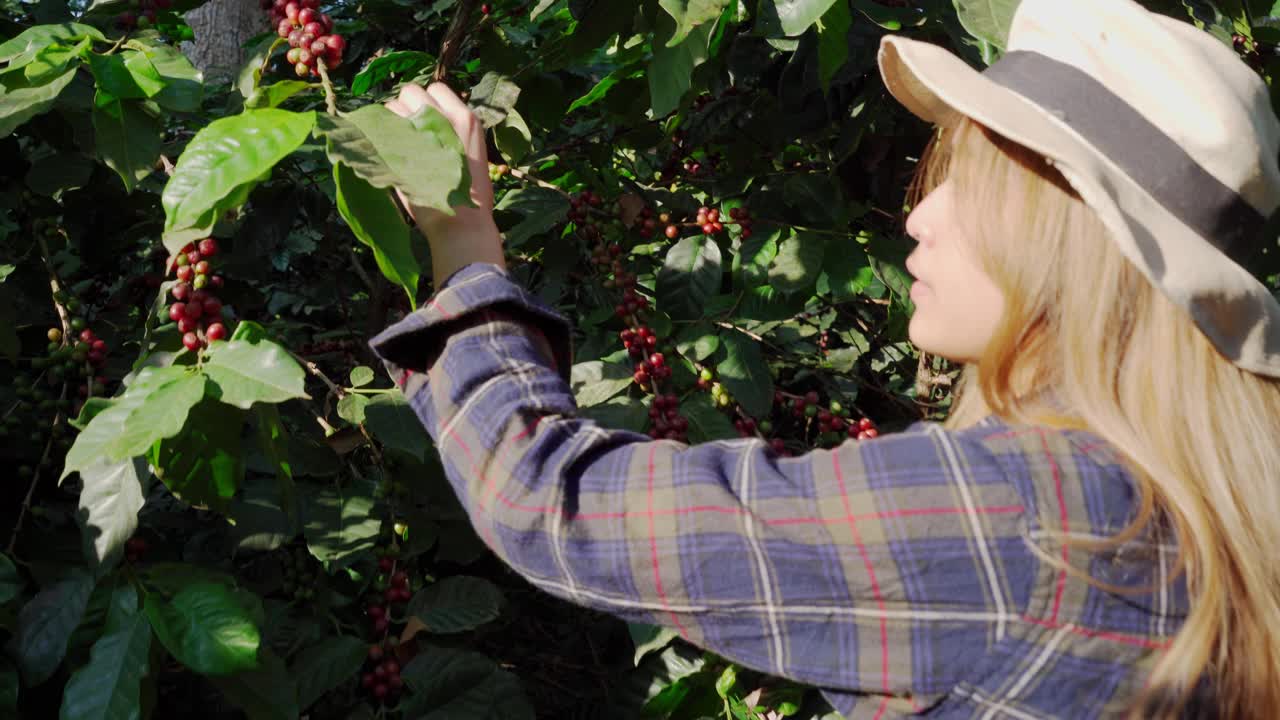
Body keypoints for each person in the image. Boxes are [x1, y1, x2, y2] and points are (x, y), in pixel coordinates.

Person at [369, 0, 1280, 716]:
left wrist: (464, 246)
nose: (920, 215)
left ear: (1063, 238)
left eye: (967, 180)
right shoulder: (1231, 509)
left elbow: (547, 499)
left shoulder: (1022, 522)